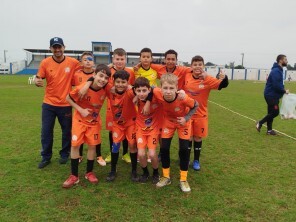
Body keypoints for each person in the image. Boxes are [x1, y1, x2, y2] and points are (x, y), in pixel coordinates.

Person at [35, 37, 80, 169]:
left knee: (66, 131)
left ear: (64, 47)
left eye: (59, 47)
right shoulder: (45, 62)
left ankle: (64, 154)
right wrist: (37, 81)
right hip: (48, 103)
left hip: (65, 104)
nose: (57, 49)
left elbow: (87, 67)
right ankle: (46, 157)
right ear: (50, 49)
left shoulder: (73, 62)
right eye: (54, 47)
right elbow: (39, 77)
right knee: (46, 131)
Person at [63, 64, 111, 188]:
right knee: (75, 146)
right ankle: (74, 176)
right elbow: (68, 98)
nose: (103, 80)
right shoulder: (82, 88)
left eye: (106, 78)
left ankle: (89, 172)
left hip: (94, 122)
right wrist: (81, 109)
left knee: (92, 147)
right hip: (79, 120)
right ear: (94, 75)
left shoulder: (105, 89)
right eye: (100, 76)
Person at [152, 74, 198, 192]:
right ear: (161, 88)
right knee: (164, 149)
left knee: (183, 149)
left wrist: (186, 118)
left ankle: (183, 179)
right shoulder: (157, 92)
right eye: (165, 88)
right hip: (168, 123)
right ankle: (166, 177)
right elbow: (150, 88)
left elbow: (195, 105)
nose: (168, 91)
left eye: (171, 88)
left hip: (183, 123)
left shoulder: (183, 97)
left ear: (177, 88)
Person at [182, 56, 229, 171]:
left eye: (200, 64)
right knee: (188, 138)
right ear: (191, 66)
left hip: (201, 115)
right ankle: (187, 159)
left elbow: (223, 85)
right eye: (195, 64)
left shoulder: (208, 79)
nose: (197, 66)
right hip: (187, 114)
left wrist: (225, 78)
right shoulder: (186, 75)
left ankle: (196, 160)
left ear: (203, 66)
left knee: (198, 138)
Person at [72, 52, 106, 166]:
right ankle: (80, 155)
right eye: (85, 59)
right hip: (81, 110)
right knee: (80, 134)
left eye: (90, 59)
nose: (87, 61)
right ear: (81, 62)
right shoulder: (76, 74)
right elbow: (75, 90)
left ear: (94, 63)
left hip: (95, 112)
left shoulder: (99, 75)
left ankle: (99, 155)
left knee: (95, 135)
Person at [105, 70, 138, 182]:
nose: (120, 84)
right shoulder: (110, 90)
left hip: (130, 123)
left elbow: (144, 90)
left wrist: (132, 88)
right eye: (117, 82)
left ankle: (134, 171)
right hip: (117, 124)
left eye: (123, 82)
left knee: (132, 145)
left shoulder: (130, 91)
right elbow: (95, 80)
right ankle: (113, 170)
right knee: (115, 146)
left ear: (127, 82)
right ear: (113, 82)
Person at [105, 48, 135, 164]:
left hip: (127, 107)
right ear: (113, 59)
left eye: (122, 59)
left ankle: (125, 153)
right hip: (112, 107)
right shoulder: (108, 71)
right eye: (117, 59)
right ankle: (111, 151)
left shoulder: (130, 72)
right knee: (113, 130)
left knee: (127, 129)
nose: (119, 61)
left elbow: (133, 86)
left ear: (125, 59)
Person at [133, 77, 162, 184]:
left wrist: (149, 101)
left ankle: (155, 172)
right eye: (138, 91)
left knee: (152, 153)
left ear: (149, 90)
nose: (141, 93)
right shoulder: (136, 96)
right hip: (140, 129)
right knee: (140, 154)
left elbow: (158, 89)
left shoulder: (156, 96)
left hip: (153, 129)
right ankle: (145, 173)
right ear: (135, 91)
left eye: (144, 91)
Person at [256, 54, 289, 135]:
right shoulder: (276, 71)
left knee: (270, 112)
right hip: (271, 95)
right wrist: (284, 91)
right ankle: (259, 123)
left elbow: (279, 83)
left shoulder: (279, 70)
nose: (287, 61)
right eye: (285, 59)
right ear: (280, 60)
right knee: (275, 112)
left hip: (272, 94)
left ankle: (269, 130)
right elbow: (276, 85)